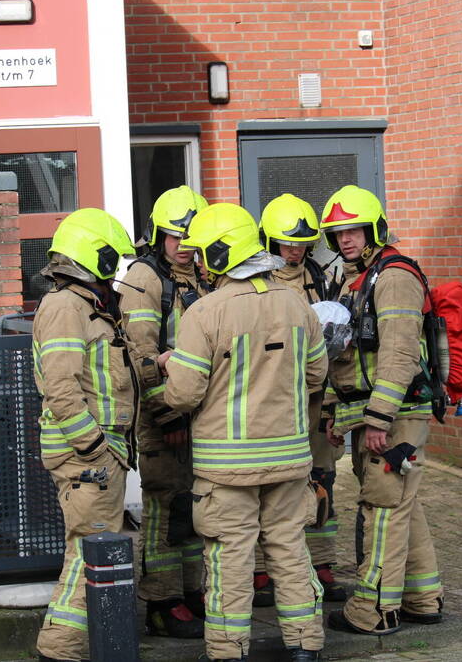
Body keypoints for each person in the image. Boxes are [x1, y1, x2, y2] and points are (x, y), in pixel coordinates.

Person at [162, 203, 328, 662]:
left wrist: (170, 367)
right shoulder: (298, 304)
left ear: (219, 254)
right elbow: (316, 376)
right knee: (290, 552)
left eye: (201, 254)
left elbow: (182, 395)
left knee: (230, 561)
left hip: (227, 467)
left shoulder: (206, 312)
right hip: (291, 460)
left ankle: (229, 650)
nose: (195, 261)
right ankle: (305, 646)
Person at [317, 185, 444, 636]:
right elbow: (343, 351)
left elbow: (399, 354)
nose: (345, 239)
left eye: (353, 230)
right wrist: (335, 408)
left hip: (395, 415)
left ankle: (373, 610)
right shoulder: (356, 278)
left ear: (375, 230)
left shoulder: (393, 277)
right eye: (337, 233)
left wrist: (378, 419)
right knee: (403, 504)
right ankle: (423, 599)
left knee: (382, 509)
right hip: (372, 412)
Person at [32, 208, 139, 662]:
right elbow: (60, 386)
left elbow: (105, 377)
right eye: (113, 258)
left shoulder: (84, 306)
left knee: (93, 548)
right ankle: (59, 650)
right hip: (88, 456)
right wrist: (94, 447)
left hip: (99, 453)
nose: (116, 269)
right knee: (86, 551)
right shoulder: (63, 308)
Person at [120, 185, 211, 638]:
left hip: (198, 414)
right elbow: (142, 357)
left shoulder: (202, 275)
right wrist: (167, 416)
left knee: (193, 506)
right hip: (164, 421)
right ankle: (161, 600)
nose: (183, 247)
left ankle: (190, 592)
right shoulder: (145, 278)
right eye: (175, 237)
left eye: (191, 238)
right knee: (163, 508)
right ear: (158, 234)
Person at [252, 193, 347, 606]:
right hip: (273, 401)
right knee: (265, 484)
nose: (295, 250)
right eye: (287, 243)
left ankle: (322, 564)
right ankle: (259, 572)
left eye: (303, 243)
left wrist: (332, 409)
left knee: (322, 482)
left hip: (316, 400)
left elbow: (335, 343)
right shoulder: (255, 281)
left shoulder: (323, 276)